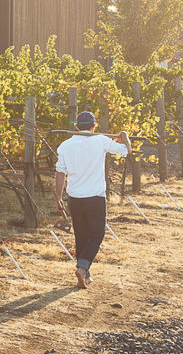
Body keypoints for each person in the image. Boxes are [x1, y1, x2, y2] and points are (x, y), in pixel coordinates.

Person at [54, 110, 130, 289]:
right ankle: (82, 268)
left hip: (75, 198)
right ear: (93, 126)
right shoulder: (100, 140)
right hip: (95, 197)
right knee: (96, 235)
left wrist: (58, 197)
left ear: (76, 127)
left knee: (81, 235)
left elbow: (60, 172)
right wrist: (125, 136)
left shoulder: (65, 146)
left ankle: (85, 274)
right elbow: (126, 151)